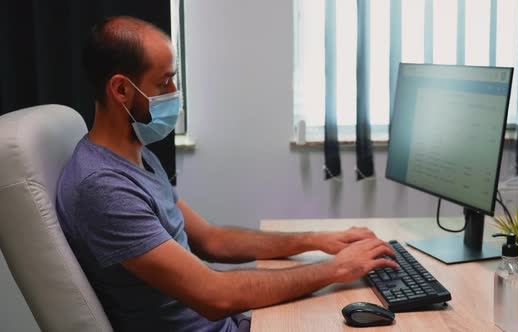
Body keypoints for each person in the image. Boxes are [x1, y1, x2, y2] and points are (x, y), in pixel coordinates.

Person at [56, 16, 398, 332]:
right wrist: (335, 269)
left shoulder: (134, 156)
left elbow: (212, 239)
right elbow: (214, 296)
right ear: (121, 90)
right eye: (164, 82)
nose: (175, 93)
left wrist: (316, 242)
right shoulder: (102, 187)